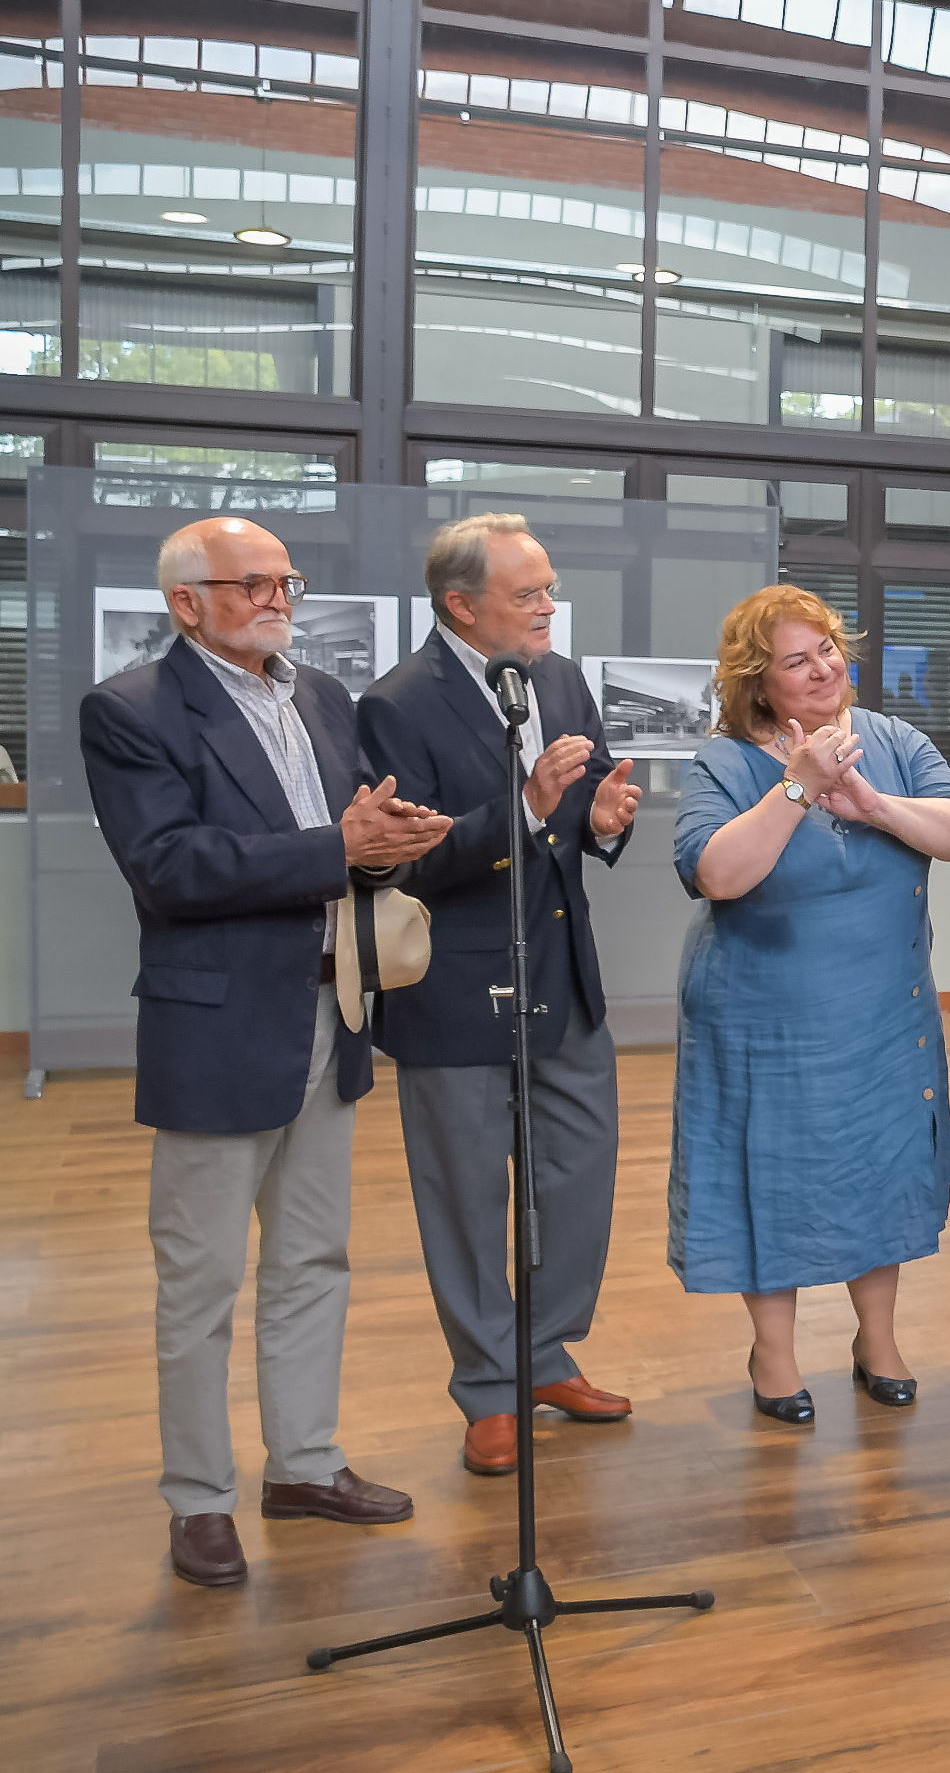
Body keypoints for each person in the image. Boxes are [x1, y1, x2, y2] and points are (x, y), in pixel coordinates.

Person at [81, 516, 452, 1587]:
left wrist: (386, 840)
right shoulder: (131, 710)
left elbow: (342, 839)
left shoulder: (324, 699)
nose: (277, 597)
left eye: (285, 580)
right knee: (198, 1283)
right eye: (251, 583)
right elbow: (168, 866)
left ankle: (304, 1462)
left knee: (312, 1262)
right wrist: (337, 845)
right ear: (186, 602)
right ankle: (198, 1496)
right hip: (216, 1026)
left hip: (330, 1013)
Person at [357, 514, 644, 1477]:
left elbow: (591, 791)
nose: (549, 607)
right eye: (529, 595)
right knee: (470, 1197)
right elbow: (405, 864)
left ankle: (544, 1354)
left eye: (550, 588)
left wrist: (601, 816)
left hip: (561, 971)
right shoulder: (394, 703)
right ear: (461, 605)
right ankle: (488, 1388)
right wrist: (522, 808)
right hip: (452, 984)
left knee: (580, 1178)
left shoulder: (558, 678)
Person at [670, 586, 950, 1424]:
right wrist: (798, 787)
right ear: (756, 682)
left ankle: (876, 1337)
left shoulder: (892, 740)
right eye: (795, 660)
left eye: (828, 650)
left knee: (880, 1172)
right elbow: (717, 874)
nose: (822, 669)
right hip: (762, 1022)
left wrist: (875, 805)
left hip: (884, 1014)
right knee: (766, 1181)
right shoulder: (726, 763)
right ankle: (774, 1352)